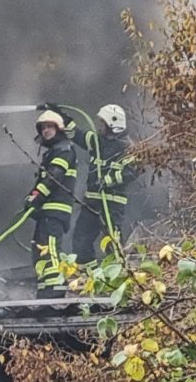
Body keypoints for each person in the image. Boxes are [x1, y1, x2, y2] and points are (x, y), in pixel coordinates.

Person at [25, 108, 79, 299]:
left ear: (59, 129)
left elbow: (54, 178)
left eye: (50, 127)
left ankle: (56, 287)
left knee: (51, 248)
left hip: (55, 209)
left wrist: (36, 196)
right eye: (43, 128)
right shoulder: (54, 152)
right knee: (40, 248)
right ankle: (46, 288)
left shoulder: (64, 150)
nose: (46, 131)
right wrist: (32, 198)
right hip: (47, 211)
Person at [76, 103, 135, 260]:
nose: (99, 126)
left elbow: (131, 172)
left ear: (112, 124)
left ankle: (119, 275)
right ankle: (86, 276)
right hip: (91, 202)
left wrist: (106, 181)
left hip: (112, 204)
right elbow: (78, 135)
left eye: (102, 123)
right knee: (81, 240)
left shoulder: (127, 148)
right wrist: (62, 119)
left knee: (112, 243)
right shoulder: (98, 141)